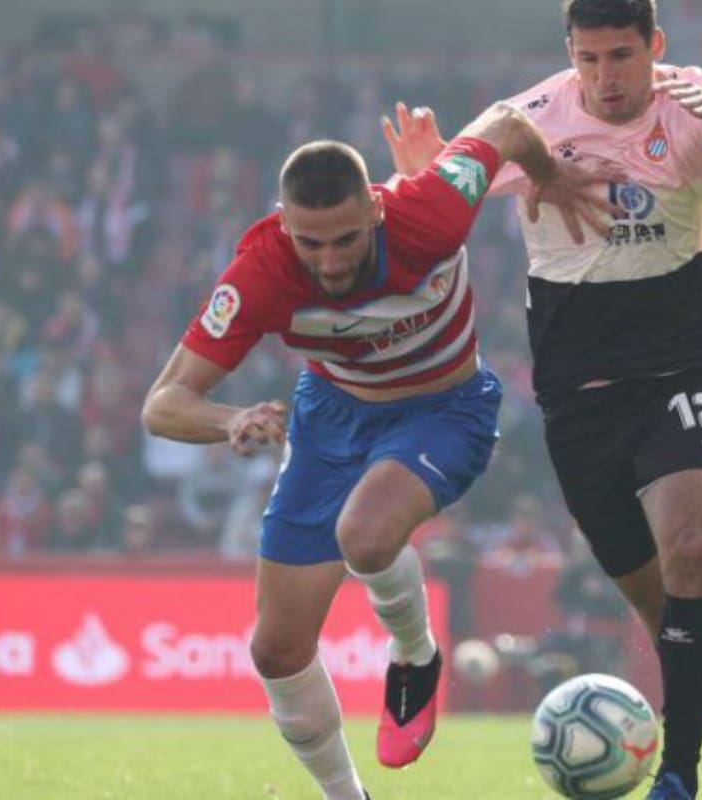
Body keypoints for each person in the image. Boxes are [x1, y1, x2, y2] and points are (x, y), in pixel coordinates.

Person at [383, 1, 702, 796]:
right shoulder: (528, 120)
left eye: (623, 56)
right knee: (667, 622)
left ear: (655, 46)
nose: (608, 77)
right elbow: (429, 211)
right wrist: (424, 172)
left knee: (691, 554)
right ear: (569, 54)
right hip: (578, 402)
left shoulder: (686, 102)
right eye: (591, 59)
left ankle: (676, 777)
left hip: (679, 373)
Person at [141, 102, 613, 799]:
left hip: (444, 410)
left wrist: (549, 177)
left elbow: (510, 124)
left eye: (343, 239)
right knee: (275, 649)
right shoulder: (262, 272)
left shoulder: (430, 208)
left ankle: (415, 655)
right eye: (310, 242)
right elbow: (163, 404)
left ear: (375, 208)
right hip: (329, 421)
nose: (328, 261)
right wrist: (231, 418)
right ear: (283, 221)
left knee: (362, 535)